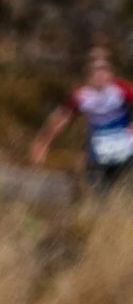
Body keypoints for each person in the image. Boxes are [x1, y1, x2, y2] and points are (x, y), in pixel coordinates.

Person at [30, 42, 133, 195]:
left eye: (104, 69)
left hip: (126, 146)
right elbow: (62, 118)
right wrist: (43, 142)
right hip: (100, 150)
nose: (100, 74)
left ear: (111, 72)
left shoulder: (121, 88)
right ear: (88, 74)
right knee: (99, 191)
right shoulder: (82, 95)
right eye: (96, 70)